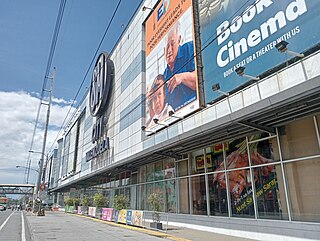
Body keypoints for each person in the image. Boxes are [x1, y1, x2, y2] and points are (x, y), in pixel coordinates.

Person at [163, 21, 197, 111]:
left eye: (172, 44)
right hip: (177, 119)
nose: (169, 50)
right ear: (163, 50)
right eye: (167, 46)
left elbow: (203, 77)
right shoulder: (164, 75)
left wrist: (182, 77)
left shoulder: (190, 48)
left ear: (179, 40)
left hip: (197, 108)